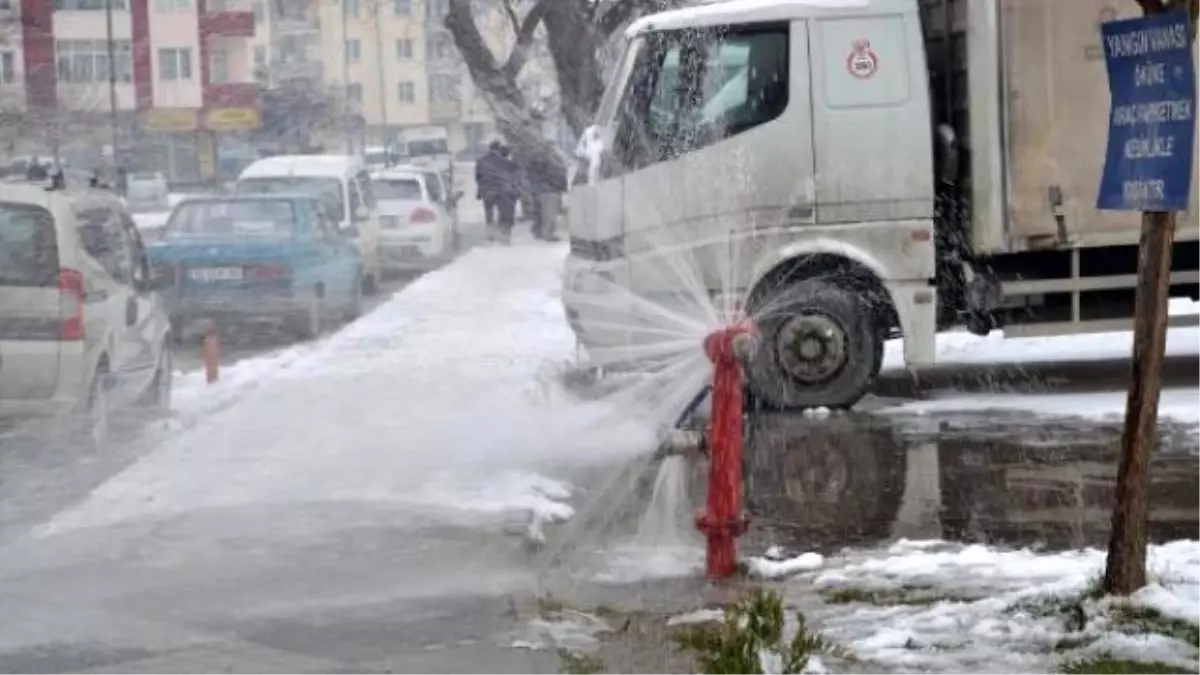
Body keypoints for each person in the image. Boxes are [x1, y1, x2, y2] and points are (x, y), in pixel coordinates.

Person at [475, 141, 507, 235]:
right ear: (499, 149)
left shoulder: (482, 160)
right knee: (502, 211)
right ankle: (503, 233)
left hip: (487, 190)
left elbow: (478, 177)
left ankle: (490, 234)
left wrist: (481, 189)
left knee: (489, 213)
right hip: (500, 190)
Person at [491, 144, 521, 245]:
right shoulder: (512, 165)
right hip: (509, 193)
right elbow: (517, 179)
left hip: (500, 193)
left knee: (502, 214)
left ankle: (503, 235)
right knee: (509, 215)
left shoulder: (495, 165)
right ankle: (506, 236)